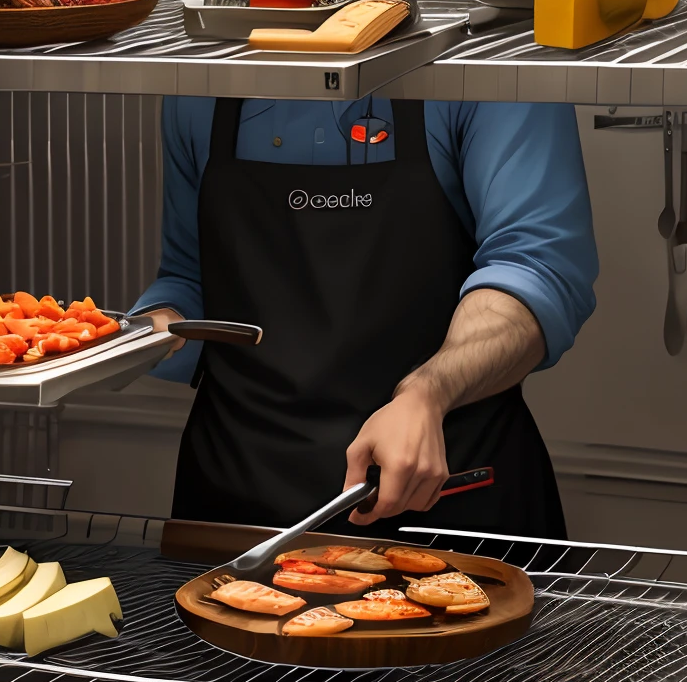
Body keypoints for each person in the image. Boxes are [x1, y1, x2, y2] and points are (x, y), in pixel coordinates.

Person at [136, 95, 597, 535]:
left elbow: (535, 268)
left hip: (444, 502)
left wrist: (426, 394)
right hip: (236, 503)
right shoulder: (199, 93)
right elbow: (190, 275)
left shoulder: (486, 80)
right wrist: (137, 336)